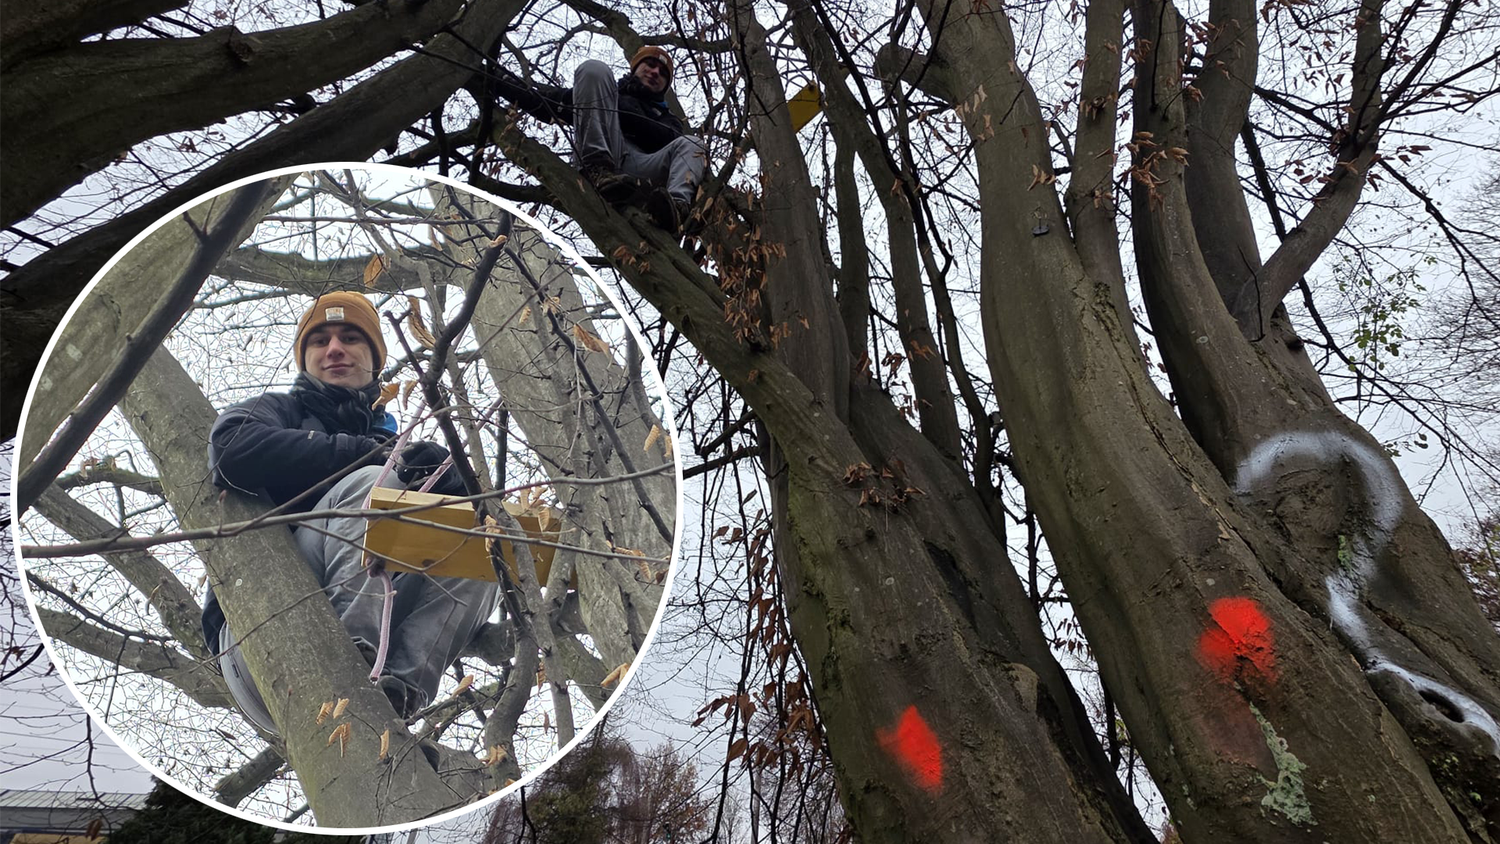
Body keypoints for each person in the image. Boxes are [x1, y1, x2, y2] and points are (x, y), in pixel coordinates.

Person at [202, 291, 500, 735]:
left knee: (479, 541)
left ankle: (400, 695)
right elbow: (230, 449)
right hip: (262, 643)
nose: (335, 349)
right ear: (304, 360)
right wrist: (367, 455)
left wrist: (452, 480)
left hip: (376, 650)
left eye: (350, 338)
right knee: (372, 486)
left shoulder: (396, 448)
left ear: (375, 361)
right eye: (320, 340)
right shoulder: (280, 412)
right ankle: (349, 662)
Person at [491, 46, 706, 231]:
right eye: (649, 64)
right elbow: (545, 102)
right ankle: (598, 170)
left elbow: (663, 138)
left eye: (662, 73)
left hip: (643, 168)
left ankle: (676, 209)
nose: (655, 72)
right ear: (636, 67)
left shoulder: (667, 118)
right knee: (594, 69)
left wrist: (615, 108)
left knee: (694, 144)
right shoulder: (602, 91)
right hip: (603, 154)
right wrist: (497, 80)